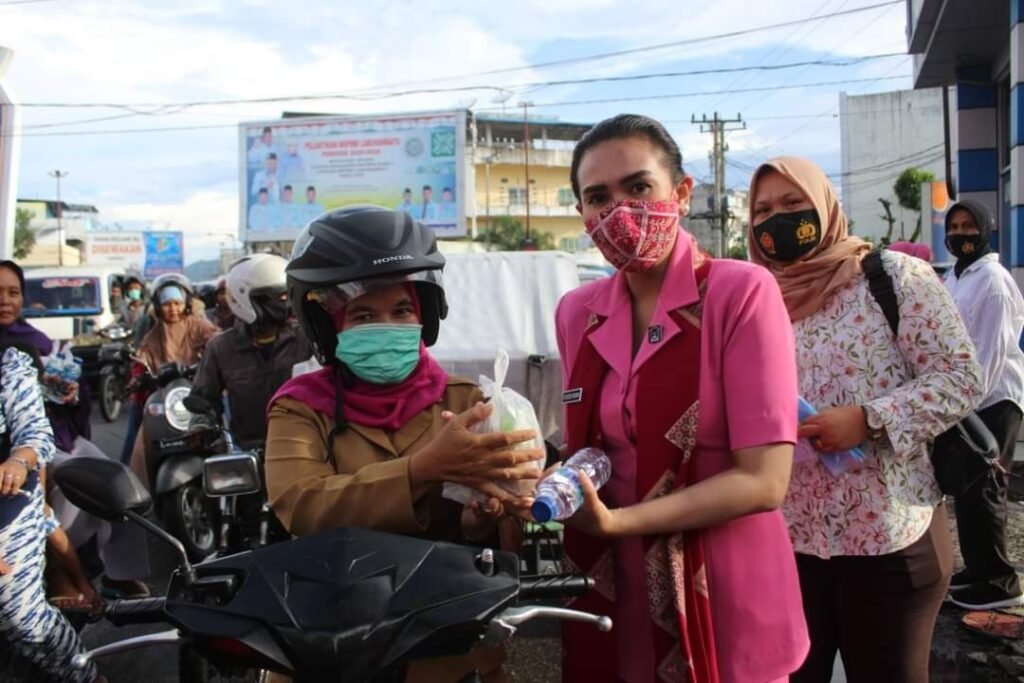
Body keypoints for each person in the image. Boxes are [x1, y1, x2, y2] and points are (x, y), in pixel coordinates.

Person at [552, 114, 808, 683]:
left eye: (639, 187)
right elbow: (590, 447)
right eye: (598, 197)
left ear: (683, 192)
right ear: (582, 214)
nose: (620, 211)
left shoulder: (739, 293)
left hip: (723, 590)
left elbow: (764, 481)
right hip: (614, 590)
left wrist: (619, 522)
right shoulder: (577, 313)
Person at [264, 206, 543, 682]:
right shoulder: (298, 407)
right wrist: (421, 470)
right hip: (331, 634)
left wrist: (482, 521)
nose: (386, 326)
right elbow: (303, 505)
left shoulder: (469, 402)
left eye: (401, 311)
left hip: (446, 638)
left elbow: (494, 538)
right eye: (363, 314)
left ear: (424, 316)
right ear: (331, 326)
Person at [747, 156, 984, 683]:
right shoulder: (754, 300)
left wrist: (869, 419)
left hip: (888, 541)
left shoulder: (891, 277)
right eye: (762, 211)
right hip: (787, 545)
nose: (776, 220)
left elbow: (962, 377)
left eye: (792, 203)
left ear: (824, 205)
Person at [0, 344, 102, 683]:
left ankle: (88, 677)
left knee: (21, 617)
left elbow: (33, 434)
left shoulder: (10, 365)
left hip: (9, 510)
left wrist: (19, 462)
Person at [941, 199, 1024, 610]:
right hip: (967, 402)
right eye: (954, 227)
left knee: (986, 487)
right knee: (968, 489)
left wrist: (963, 406)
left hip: (992, 400)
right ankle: (978, 571)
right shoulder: (956, 276)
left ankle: (1000, 582)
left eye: (969, 226)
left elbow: (990, 354)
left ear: (986, 228)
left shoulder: (992, 280)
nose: (961, 234)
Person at [190, 254, 312, 448]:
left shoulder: (306, 338)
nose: (285, 303)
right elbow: (203, 400)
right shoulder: (221, 347)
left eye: (286, 296)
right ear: (243, 299)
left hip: (304, 446)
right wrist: (201, 425)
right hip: (248, 451)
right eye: (276, 297)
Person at [127, 274, 219, 482]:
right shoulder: (153, 334)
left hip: (198, 390)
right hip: (165, 396)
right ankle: (134, 485)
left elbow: (217, 341)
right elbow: (141, 359)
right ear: (158, 306)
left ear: (186, 303)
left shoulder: (198, 325)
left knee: (226, 425)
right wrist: (137, 378)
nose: (173, 309)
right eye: (167, 304)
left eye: (177, 303)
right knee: (139, 441)